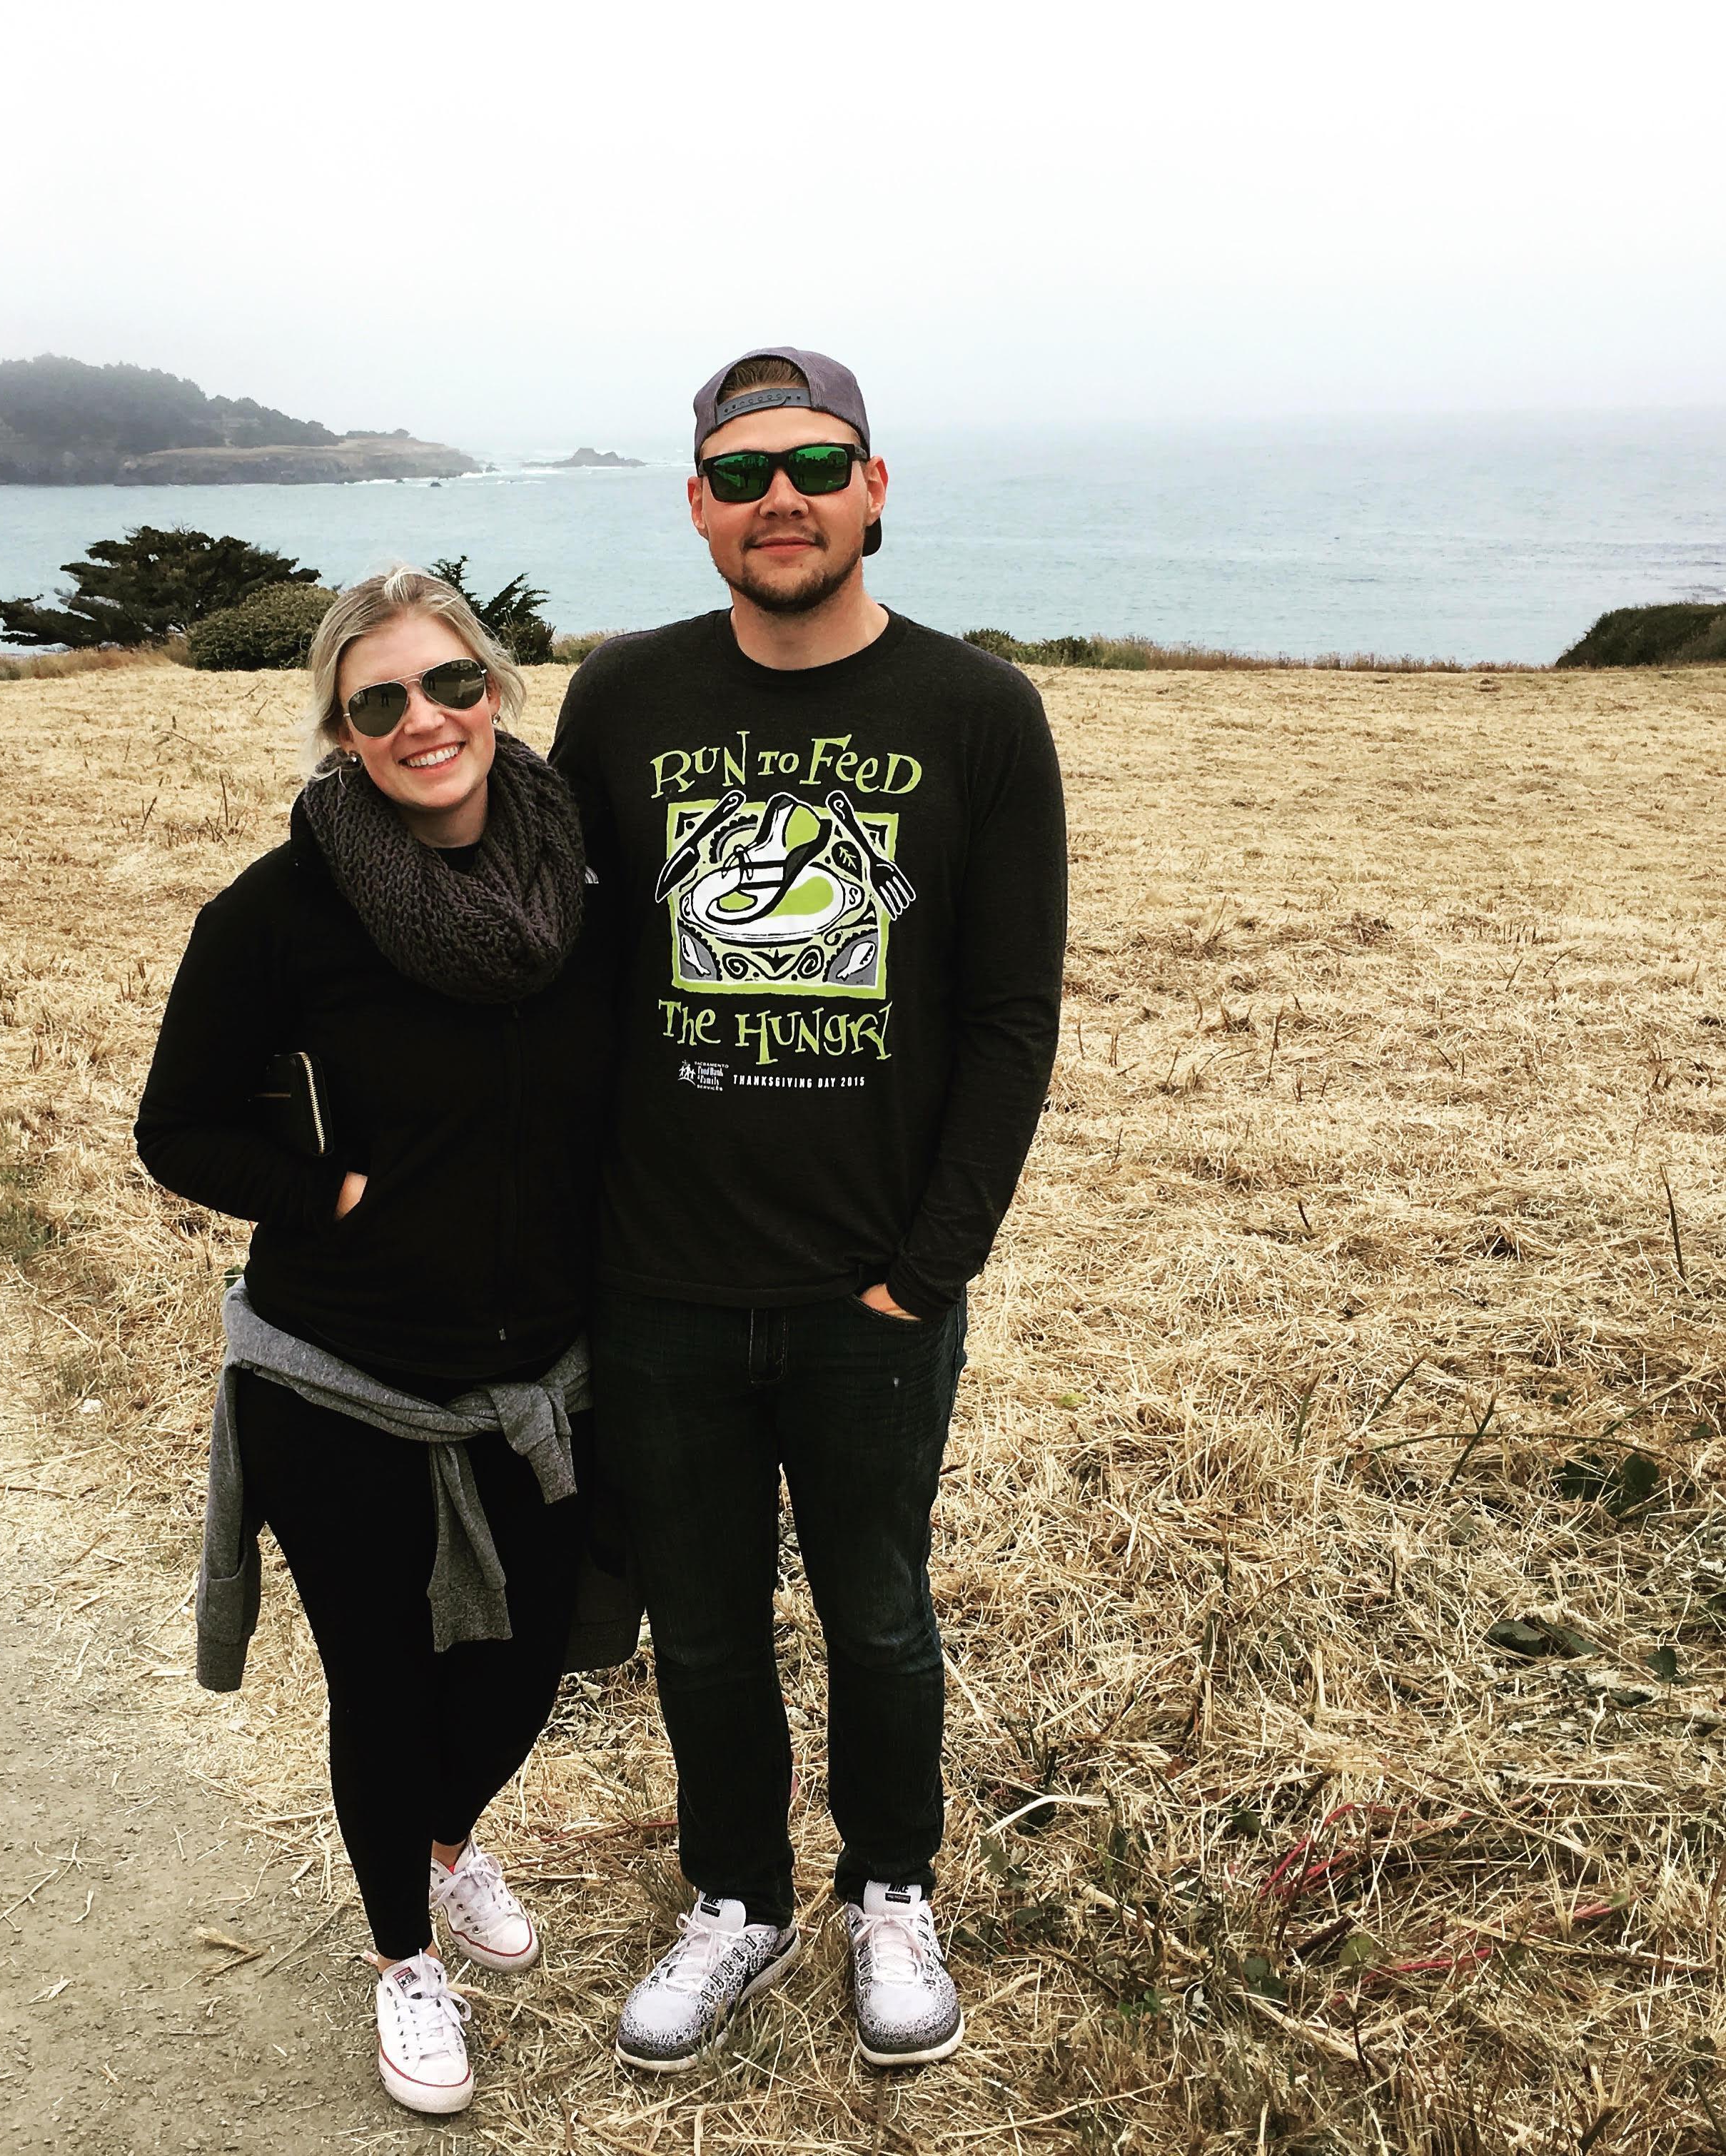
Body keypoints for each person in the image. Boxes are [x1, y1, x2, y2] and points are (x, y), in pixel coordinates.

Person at [548, 349, 1067, 2073]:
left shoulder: (977, 710)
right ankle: (735, 1897)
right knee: (698, 1623)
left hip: (871, 1288)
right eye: (742, 470)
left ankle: (889, 1889)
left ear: (873, 487)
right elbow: (562, 964)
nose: (781, 496)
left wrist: (929, 1268)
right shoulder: (620, 698)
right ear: (698, 507)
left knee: (878, 1612)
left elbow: (1008, 1015)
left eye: (816, 464)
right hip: (661, 1281)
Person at [134, 568, 614, 2117]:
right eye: (380, 701)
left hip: (539, 1378)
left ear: (496, 688)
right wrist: (327, 1191)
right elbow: (176, 1127)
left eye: (449, 682)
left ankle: (446, 1842)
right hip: (338, 1380)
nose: (424, 720)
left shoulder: (579, 881)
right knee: (385, 1683)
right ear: (341, 731)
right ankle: (403, 1955)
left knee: (529, 1666)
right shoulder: (278, 914)